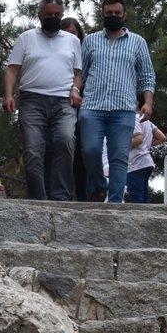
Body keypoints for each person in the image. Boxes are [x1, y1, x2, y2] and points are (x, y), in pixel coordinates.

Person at [4, 0, 82, 201]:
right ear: (39, 15)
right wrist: (8, 94)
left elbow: (78, 73)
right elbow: (12, 69)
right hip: (32, 100)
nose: (53, 17)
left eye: (57, 14)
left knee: (65, 140)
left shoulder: (73, 41)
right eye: (48, 14)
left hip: (63, 101)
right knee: (33, 150)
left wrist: (75, 89)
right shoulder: (26, 38)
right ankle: (38, 199)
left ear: (62, 15)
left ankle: (61, 196)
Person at [80, 0, 157, 203]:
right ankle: (100, 184)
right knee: (90, 150)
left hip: (123, 108)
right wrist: (75, 91)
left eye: (116, 13)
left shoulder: (138, 42)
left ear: (124, 15)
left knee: (119, 157)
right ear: (102, 14)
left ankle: (114, 203)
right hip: (92, 106)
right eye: (109, 13)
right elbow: (81, 74)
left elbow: (147, 75)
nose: (113, 16)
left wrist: (148, 102)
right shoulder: (90, 41)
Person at [59, 17, 99, 202]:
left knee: (82, 153)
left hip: (83, 106)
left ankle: (83, 195)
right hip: (59, 104)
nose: (70, 36)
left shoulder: (86, 56)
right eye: (66, 32)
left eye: (73, 33)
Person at [126, 107, 166, 203]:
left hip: (135, 163)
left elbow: (138, 140)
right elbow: (162, 138)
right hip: (147, 162)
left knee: (136, 198)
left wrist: (121, 146)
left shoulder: (134, 118)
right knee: (143, 196)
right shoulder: (148, 122)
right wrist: (146, 145)